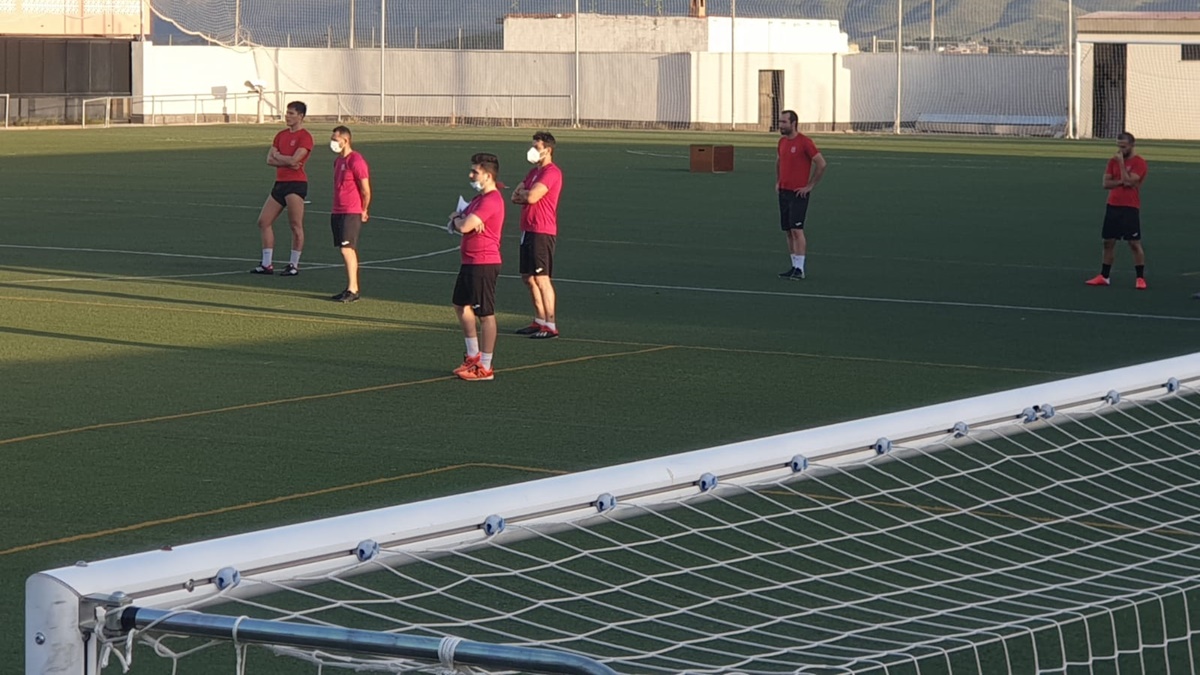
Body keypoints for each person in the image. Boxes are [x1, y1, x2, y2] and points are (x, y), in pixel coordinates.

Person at [448, 153, 505, 382]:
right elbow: (463, 218)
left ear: (488, 175)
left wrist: (459, 220)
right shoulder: (478, 199)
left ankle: (486, 367)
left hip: (483, 262)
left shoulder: (491, 200)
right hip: (469, 261)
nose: (471, 175)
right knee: (460, 305)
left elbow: (464, 225)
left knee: (485, 314)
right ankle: (473, 355)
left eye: (475, 172)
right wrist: (461, 219)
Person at [511, 131, 563, 339]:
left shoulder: (551, 173)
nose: (533, 150)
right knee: (528, 277)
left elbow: (531, 196)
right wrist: (524, 195)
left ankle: (550, 324)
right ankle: (539, 319)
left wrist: (526, 195)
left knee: (542, 278)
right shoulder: (533, 172)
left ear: (547, 150)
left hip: (542, 230)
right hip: (528, 229)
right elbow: (515, 196)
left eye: (537, 146)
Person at [252, 101, 313, 276]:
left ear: (300, 116)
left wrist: (281, 158)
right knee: (264, 221)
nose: (287, 116)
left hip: (296, 184)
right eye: (287, 113)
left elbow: (296, 160)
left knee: (295, 225)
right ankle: (266, 264)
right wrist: (285, 159)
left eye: (291, 113)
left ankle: (293, 265)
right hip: (280, 183)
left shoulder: (305, 137)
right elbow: (269, 159)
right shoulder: (280, 135)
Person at [1086, 132, 1149, 290]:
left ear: (1132, 145)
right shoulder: (1112, 162)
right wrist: (1121, 180)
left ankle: (1140, 278)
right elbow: (1106, 184)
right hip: (1113, 205)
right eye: (1118, 146)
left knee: (1134, 243)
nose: (1120, 150)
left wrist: (1121, 165)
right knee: (1108, 242)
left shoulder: (1139, 163)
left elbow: (1130, 182)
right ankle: (1104, 276)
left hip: (1130, 206)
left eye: (1123, 146)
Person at [775, 110, 827, 280]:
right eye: (780, 122)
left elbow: (821, 163)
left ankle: (800, 269)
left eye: (784, 122)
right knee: (788, 231)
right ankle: (794, 266)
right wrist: (778, 181)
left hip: (798, 193)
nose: (781, 125)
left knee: (797, 230)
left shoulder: (805, 142)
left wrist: (810, 186)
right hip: (784, 191)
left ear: (793, 123)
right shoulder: (781, 142)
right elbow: (778, 161)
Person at [328, 126, 371, 303]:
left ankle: (353, 288)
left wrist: (364, 209)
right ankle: (349, 288)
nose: (332, 143)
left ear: (345, 140)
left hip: (351, 211)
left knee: (347, 249)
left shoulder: (356, 160)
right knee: (344, 249)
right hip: (337, 210)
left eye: (335, 139)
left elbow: (365, 189)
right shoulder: (338, 161)